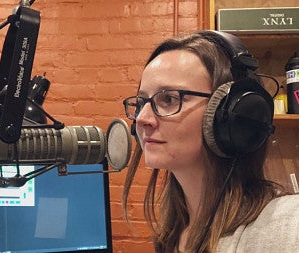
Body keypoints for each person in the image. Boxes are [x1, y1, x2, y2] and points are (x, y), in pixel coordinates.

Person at [121, 30, 299, 253]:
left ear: (228, 114)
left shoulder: (288, 227)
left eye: (168, 99)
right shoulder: (174, 235)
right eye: (141, 102)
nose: (142, 118)